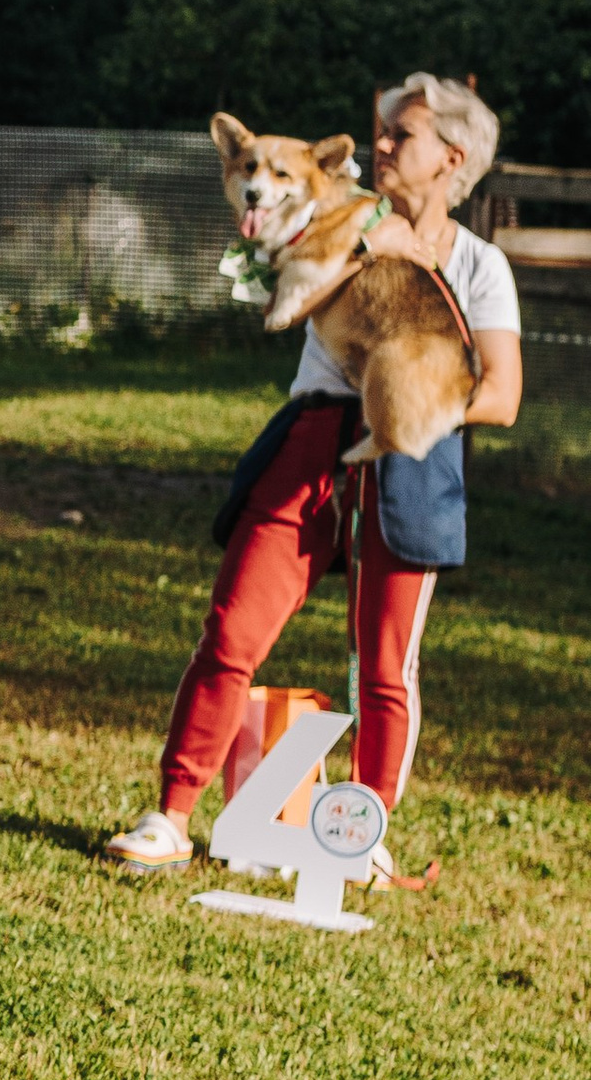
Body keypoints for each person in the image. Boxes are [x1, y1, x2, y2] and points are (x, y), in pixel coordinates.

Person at [104, 74, 523, 876]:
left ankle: (359, 837)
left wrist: (408, 397)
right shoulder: (335, 209)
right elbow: (267, 275)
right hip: (314, 437)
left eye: (404, 135)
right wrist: (368, 247)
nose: (384, 146)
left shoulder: (481, 267)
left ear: (453, 158)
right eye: (384, 132)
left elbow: (500, 397)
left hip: (409, 449)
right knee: (230, 633)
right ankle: (171, 815)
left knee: (384, 666)